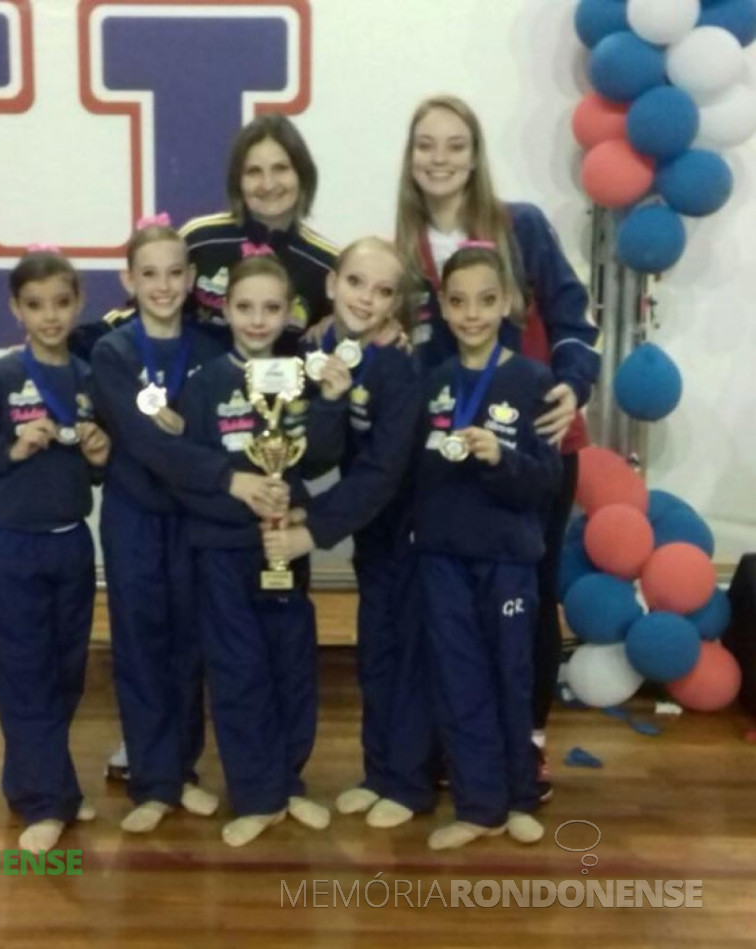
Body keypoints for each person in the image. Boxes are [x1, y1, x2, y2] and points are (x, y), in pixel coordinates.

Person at [396, 94, 599, 798]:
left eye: (455, 144)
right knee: (455, 602)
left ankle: (529, 742)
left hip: (539, 446)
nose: (440, 158)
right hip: (451, 461)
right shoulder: (404, 252)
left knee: (531, 597)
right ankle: (468, 742)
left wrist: (574, 385)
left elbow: (576, 319)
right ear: (410, 155)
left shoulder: (525, 228)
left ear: (476, 154)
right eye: (427, 144)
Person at [89, 219, 287, 833]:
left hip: (197, 521)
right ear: (129, 279)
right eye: (149, 273)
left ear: (194, 279)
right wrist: (227, 479)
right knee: (143, 644)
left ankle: (185, 771)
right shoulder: (112, 352)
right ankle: (153, 781)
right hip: (135, 518)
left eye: (176, 272)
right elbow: (150, 446)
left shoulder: (209, 347)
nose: (164, 285)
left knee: (190, 647)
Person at [174, 254, 350, 847]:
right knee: (238, 670)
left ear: (290, 313)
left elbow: (322, 457)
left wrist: (329, 400)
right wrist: (243, 498)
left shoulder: (300, 376)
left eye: (271, 309)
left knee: (291, 664)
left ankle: (288, 784)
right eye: (245, 308)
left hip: (287, 548)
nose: (257, 320)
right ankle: (254, 794)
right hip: (223, 552)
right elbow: (187, 473)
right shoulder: (205, 384)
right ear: (225, 310)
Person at [0, 249, 111, 853]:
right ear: (16, 308)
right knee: (23, 675)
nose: (50, 317)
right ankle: (46, 801)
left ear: (78, 306)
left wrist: (98, 458)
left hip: (71, 544)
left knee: (66, 675)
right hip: (11, 544)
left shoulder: (90, 376)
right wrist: (10, 449)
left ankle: (43, 785)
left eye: (61, 304)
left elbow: (94, 472)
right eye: (36, 305)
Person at [261, 237, 431, 827]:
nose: (367, 298)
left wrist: (314, 530)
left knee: (404, 655)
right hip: (371, 532)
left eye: (384, 291)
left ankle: (408, 785)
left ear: (396, 306)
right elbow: (313, 450)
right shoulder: (315, 348)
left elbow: (383, 472)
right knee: (376, 653)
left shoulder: (401, 367)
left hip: (410, 527)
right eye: (357, 283)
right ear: (332, 285)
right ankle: (378, 771)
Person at [414, 243, 560, 850]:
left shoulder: (532, 381)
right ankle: (478, 806)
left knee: (511, 676)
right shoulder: (435, 382)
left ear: (506, 304)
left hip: (507, 559)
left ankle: (520, 797)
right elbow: (414, 473)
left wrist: (502, 458)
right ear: (443, 309)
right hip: (444, 557)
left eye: (485, 300)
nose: (472, 313)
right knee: (459, 678)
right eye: (458, 302)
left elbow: (547, 483)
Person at [179, 113, 338, 353]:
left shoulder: (327, 264)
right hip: (198, 387)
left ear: (302, 174)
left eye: (281, 168)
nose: (268, 184)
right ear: (237, 181)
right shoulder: (199, 241)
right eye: (254, 171)